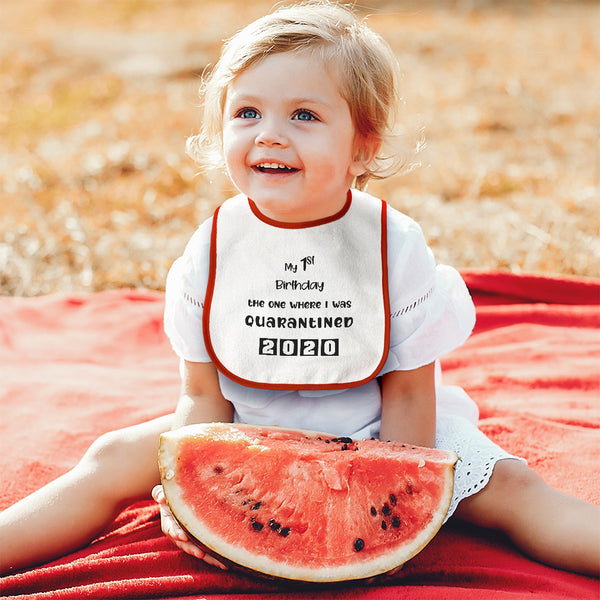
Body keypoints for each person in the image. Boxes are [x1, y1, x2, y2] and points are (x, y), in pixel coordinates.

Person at [1, 0, 598, 578]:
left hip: (383, 429)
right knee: (108, 458)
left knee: (517, 491)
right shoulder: (210, 251)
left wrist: (391, 503)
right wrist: (186, 490)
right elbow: (203, 399)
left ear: (362, 146)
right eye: (247, 113)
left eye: (304, 116)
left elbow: (411, 397)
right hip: (244, 427)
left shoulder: (394, 245)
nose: (270, 136)